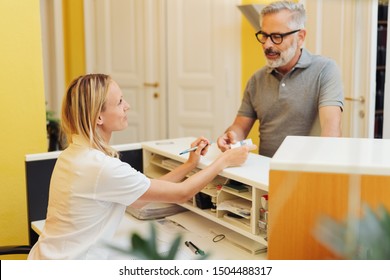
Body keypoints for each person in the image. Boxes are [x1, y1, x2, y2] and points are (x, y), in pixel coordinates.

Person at [28, 74, 256, 260]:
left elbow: (141, 196)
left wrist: (190, 164)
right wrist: (224, 161)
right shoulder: (101, 167)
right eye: (119, 102)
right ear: (99, 117)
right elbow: (182, 194)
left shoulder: (74, 155)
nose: (127, 106)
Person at [217, 1, 344, 158]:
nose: (267, 45)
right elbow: (240, 127)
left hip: (307, 172)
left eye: (277, 37)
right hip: (265, 172)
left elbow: (331, 129)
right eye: (264, 35)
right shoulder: (256, 80)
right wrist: (231, 137)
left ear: (300, 36)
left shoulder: (325, 70)